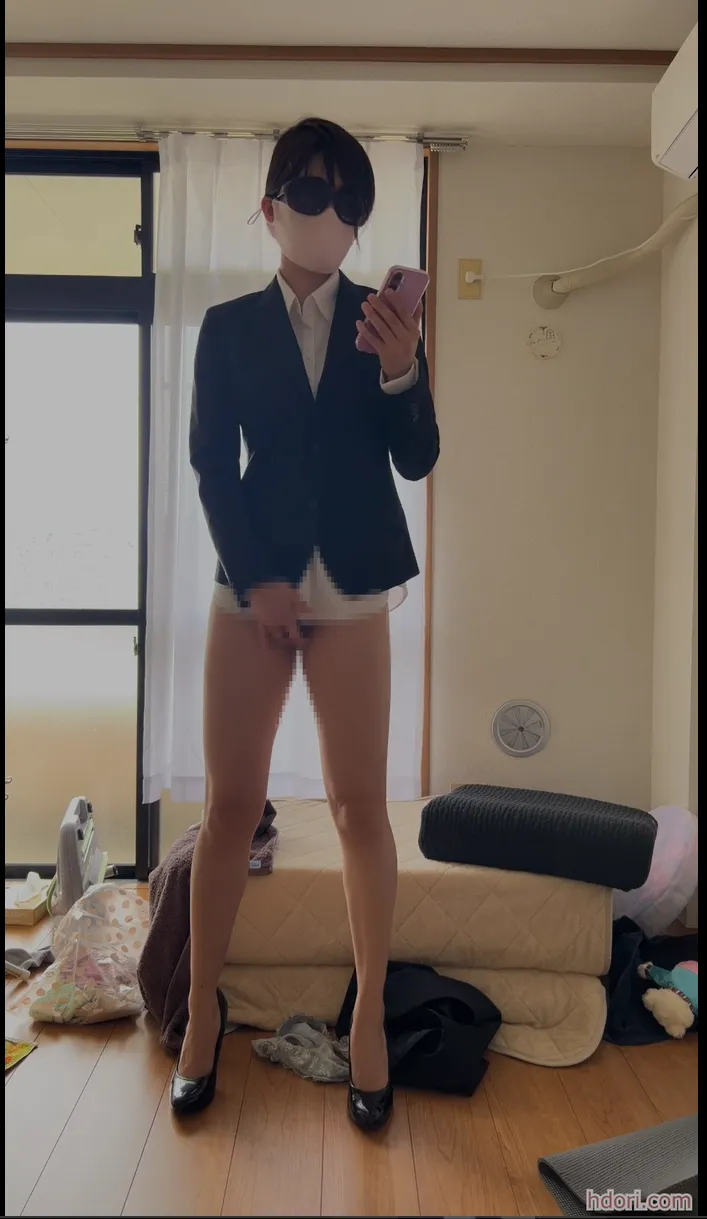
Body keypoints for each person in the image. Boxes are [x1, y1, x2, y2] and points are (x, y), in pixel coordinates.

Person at [171, 117, 439, 1130]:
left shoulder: (384, 318)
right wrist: (257, 578)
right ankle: (202, 1013)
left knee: (360, 806)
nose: (331, 216)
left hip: (356, 580)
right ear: (272, 204)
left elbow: (416, 458)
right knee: (231, 807)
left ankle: (367, 1019)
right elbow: (210, 465)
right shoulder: (228, 327)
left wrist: (403, 370)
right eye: (313, 194)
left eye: (350, 201)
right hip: (254, 582)